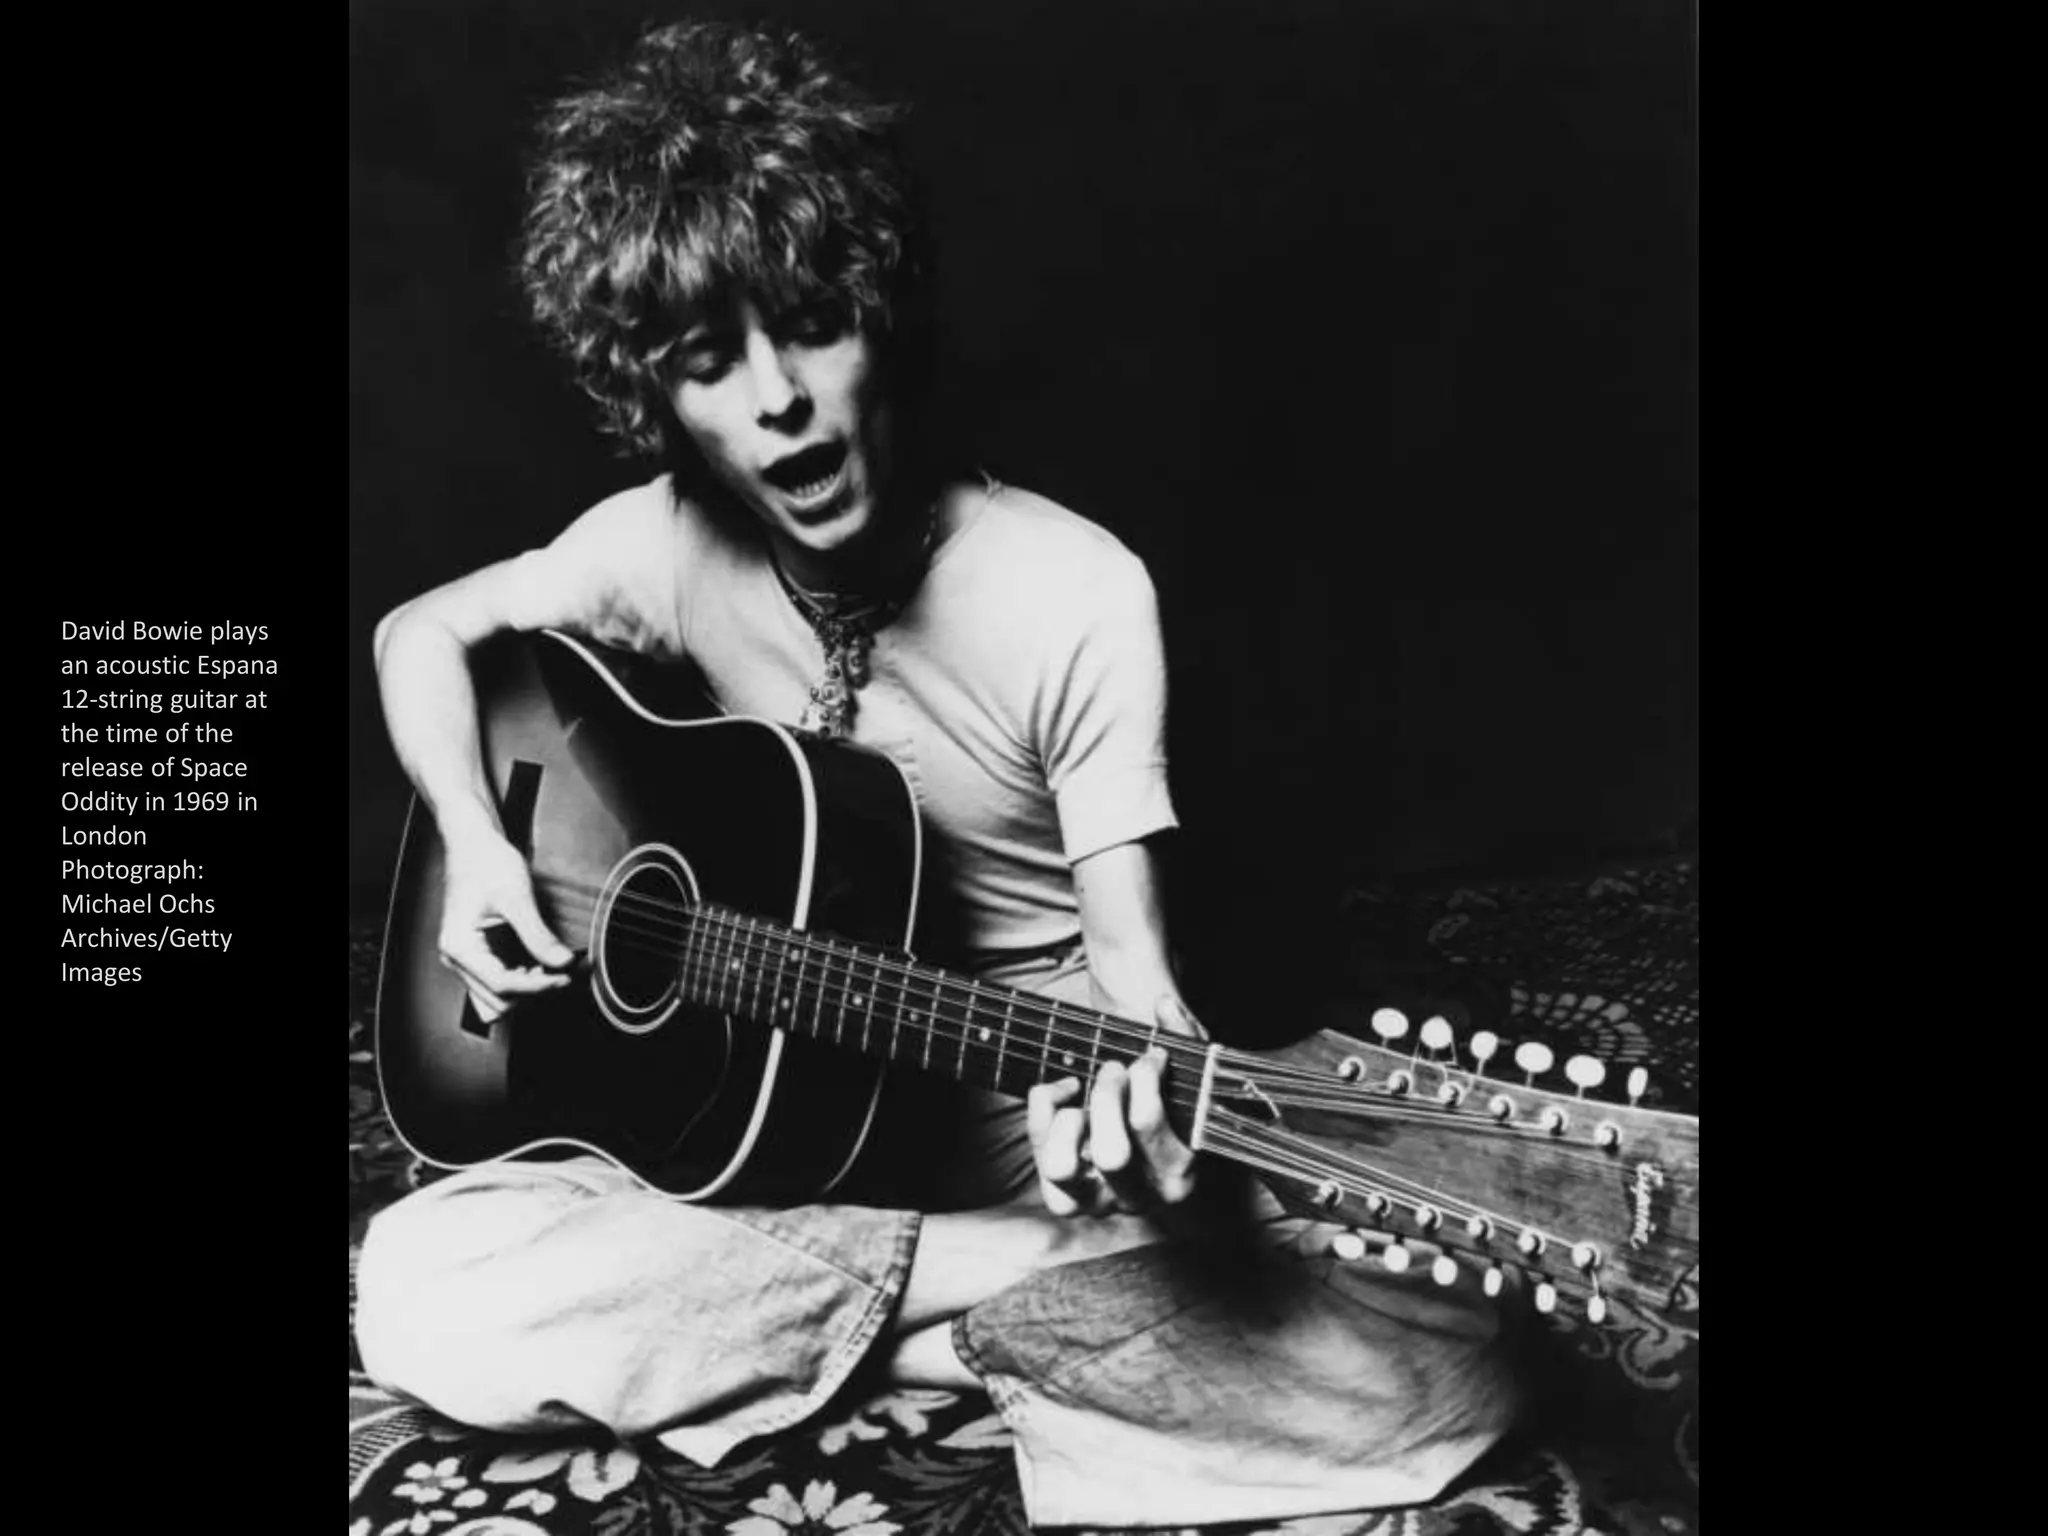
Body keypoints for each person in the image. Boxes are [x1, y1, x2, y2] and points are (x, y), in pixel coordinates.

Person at [356, 20, 1518, 1528]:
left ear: (882, 314)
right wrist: (478, 838)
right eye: (712, 362)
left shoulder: (1075, 590)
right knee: (421, 1286)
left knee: (1441, 1363)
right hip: (745, 1122)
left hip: (1012, 1112)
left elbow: (1139, 987)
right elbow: (416, 631)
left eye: (812, 326)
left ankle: (873, 1323)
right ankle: (1009, 1320)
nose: (777, 400)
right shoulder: (654, 547)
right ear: (663, 398)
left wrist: (1145, 1139)